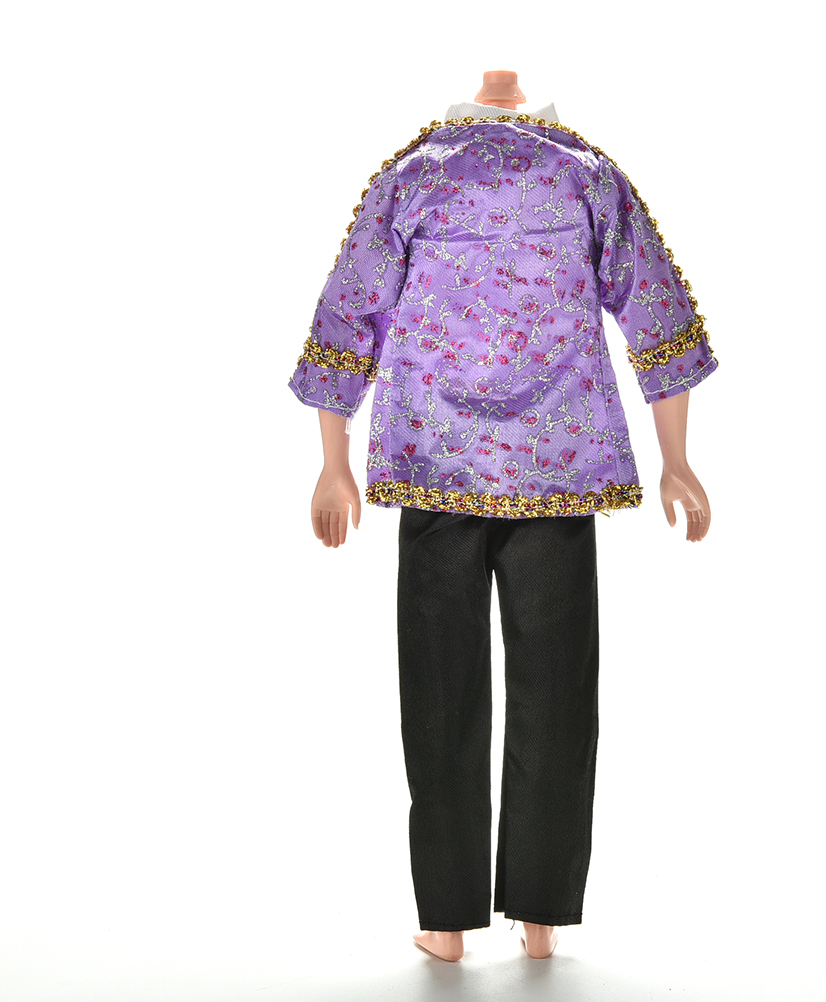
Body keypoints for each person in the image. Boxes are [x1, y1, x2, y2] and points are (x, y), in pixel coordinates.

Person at [288, 70, 717, 962]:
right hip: (557, 467)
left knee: (439, 695)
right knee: (558, 695)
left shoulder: (413, 173)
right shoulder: (586, 172)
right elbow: (657, 310)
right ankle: (541, 917)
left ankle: (447, 923)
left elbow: (347, 314)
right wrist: (676, 458)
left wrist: (333, 461)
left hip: (435, 465)